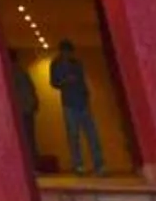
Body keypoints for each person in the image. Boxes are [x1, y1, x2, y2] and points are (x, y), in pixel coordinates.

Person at [52, 38, 104, 176]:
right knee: (73, 136)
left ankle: (99, 165)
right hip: (69, 104)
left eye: (69, 52)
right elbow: (54, 83)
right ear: (62, 52)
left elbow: (82, 81)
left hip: (82, 102)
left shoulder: (77, 63)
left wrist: (87, 98)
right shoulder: (56, 64)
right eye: (65, 52)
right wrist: (65, 81)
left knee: (92, 134)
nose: (68, 55)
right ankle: (78, 165)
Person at [9, 48, 41, 167]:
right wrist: (34, 103)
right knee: (30, 138)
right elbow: (31, 89)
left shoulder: (11, 72)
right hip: (28, 107)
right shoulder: (22, 71)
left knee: (24, 139)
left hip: (21, 108)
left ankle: (28, 165)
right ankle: (32, 164)